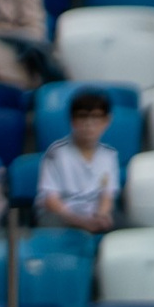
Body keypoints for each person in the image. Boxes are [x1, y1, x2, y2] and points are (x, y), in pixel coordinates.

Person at [35, 90, 121, 233]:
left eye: (96, 117)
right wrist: (81, 222)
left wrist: (101, 216)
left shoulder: (109, 155)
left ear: (107, 121)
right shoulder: (56, 153)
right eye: (82, 117)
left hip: (93, 214)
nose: (89, 124)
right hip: (62, 216)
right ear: (72, 121)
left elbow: (107, 196)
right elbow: (51, 201)